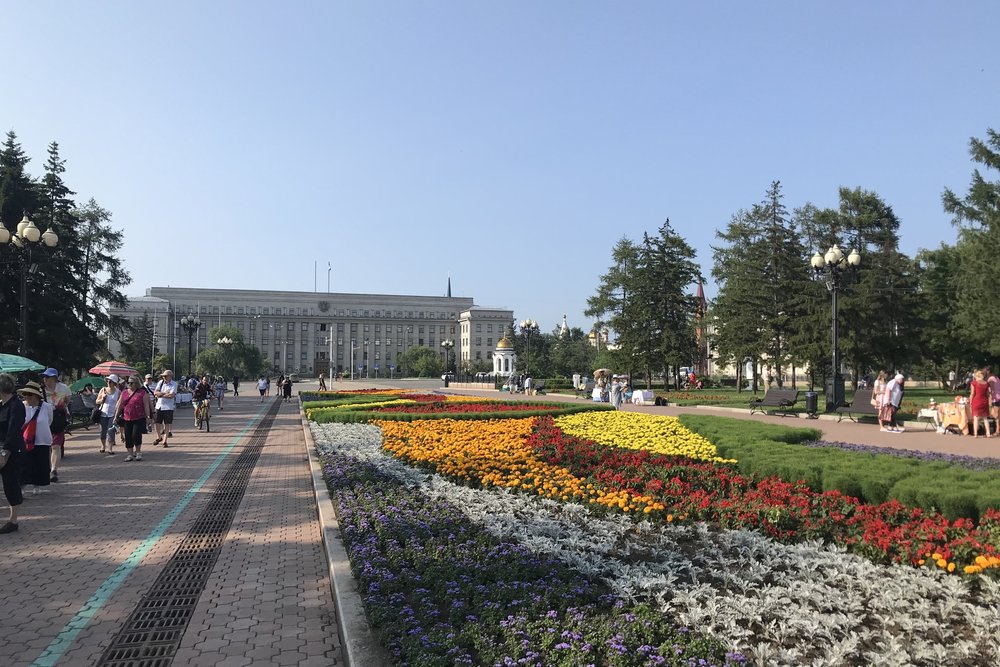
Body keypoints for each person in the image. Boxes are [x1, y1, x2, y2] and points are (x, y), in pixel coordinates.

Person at [0, 373, 26, 534]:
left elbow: (13, 430)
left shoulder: (16, 406)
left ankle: (13, 520)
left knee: (10, 484)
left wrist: (5, 452)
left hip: (11, 449)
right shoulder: (2, 404)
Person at [18, 381, 53, 495]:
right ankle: (22, 486)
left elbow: (49, 421)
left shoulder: (47, 407)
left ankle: (36, 485)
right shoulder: (22, 406)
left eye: (30, 395)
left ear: (37, 396)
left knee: (40, 464)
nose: (28, 397)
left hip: (42, 440)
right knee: (25, 464)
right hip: (26, 441)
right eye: (26, 394)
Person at [41, 368, 71, 482]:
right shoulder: (41, 390)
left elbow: (67, 401)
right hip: (44, 420)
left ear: (54, 378)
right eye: (44, 377)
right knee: (46, 446)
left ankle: (54, 470)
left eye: (47, 377)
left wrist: (60, 404)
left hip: (57, 419)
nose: (45, 379)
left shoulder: (64, 388)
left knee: (56, 446)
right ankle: (47, 468)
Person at [115, 376, 154, 462]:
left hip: (138, 417)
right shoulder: (124, 392)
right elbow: (120, 405)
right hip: (126, 418)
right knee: (128, 436)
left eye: (131, 383)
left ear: (136, 383)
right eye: (128, 383)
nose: (129, 384)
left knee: (136, 435)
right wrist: (116, 416)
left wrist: (148, 417)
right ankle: (130, 454)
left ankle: (138, 452)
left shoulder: (142, 393)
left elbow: (146, 406)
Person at [95, 374, 121, 455]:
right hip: (103, 413)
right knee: (103, 431)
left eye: (110, 381)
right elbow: (97, 401)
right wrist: (102, 399)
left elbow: (119, 403)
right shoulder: (103, 390)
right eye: (108, 381)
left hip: (112, 414)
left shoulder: (118, 392)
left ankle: (110, 448)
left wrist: (118, 414)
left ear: (114, 383)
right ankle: (103, 446)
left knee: (111, 431)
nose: (108, 383)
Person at [152, 370, 178, 446]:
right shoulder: (160, 383)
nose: (164, 378)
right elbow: (155, 393)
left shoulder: (174, 384)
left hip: (168, 407)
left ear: (170, 376)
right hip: (159, 405)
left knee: (167, 423)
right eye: (163, 376)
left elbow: (171, 395)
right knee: (157, 422)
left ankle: (165, 440)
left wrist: (160, 395)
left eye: (166, 376)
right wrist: (164, 393)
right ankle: (158, 437)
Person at [969, 369, 992, 438]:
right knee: (985, 418)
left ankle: (975, 434)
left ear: (976, 376)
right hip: (984, 401)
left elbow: (972, 393)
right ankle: (988, 433)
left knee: (976, 418)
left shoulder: (974, 383)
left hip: (976, 401)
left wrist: (970, 401)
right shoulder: (986, 383)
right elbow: (988, 394)